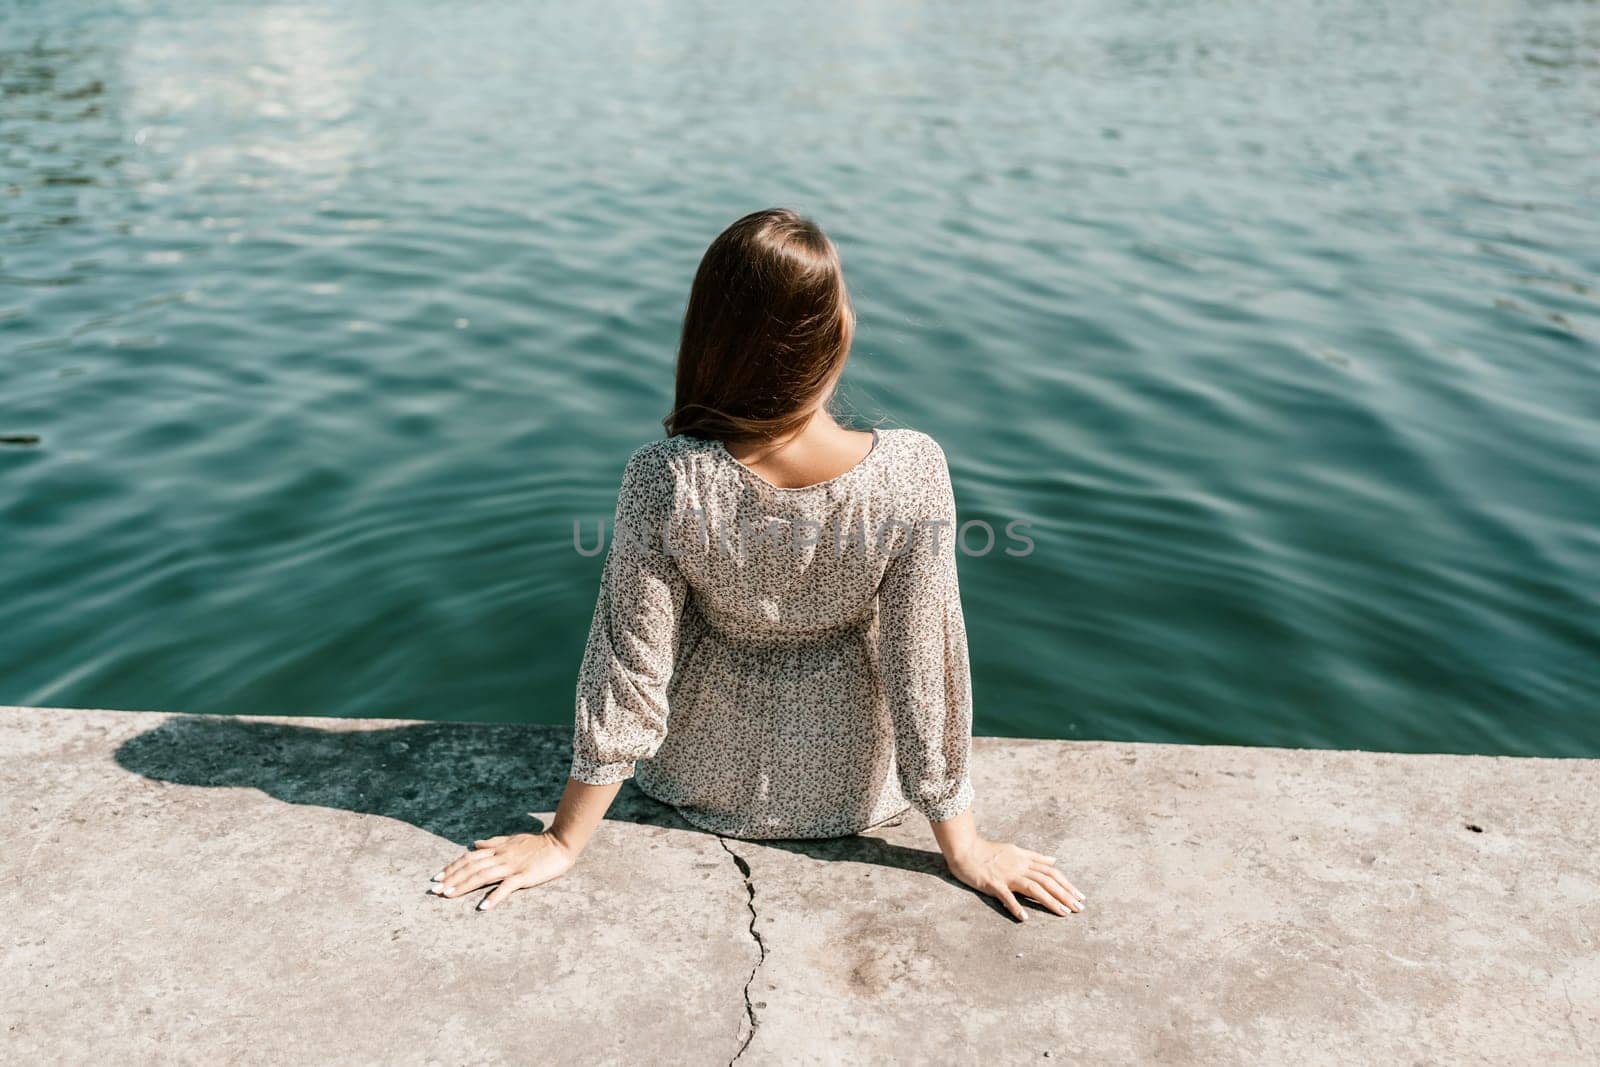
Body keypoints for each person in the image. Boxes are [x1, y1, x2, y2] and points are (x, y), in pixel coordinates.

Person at [430, 209, 1084, 921]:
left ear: (711, 336)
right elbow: (922, 666)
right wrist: (964, 843)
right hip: (854, 790)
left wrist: (562, 839)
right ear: (838, 334)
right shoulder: (912, 472)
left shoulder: (664, 477)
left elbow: (630, 672)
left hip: (696, 775)